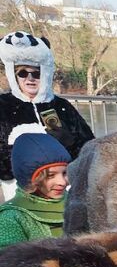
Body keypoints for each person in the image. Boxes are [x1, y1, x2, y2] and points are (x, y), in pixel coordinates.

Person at [0, 31, 93, 200]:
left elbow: (88, 149)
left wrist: (68, 143)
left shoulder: (61, 106)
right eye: (22, 73)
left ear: (44, 73)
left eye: (36, 73)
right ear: (14, 76)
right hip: (21, 192)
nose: (30, 79)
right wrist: (23, 156)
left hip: (63, 188)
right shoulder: (3, 106)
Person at [0, 127, 68, 247]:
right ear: (30, 178)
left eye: (64, 173)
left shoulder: (74, 201)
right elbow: (10, 261)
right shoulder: (12, 217)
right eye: (51, 175)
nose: (62, 182)